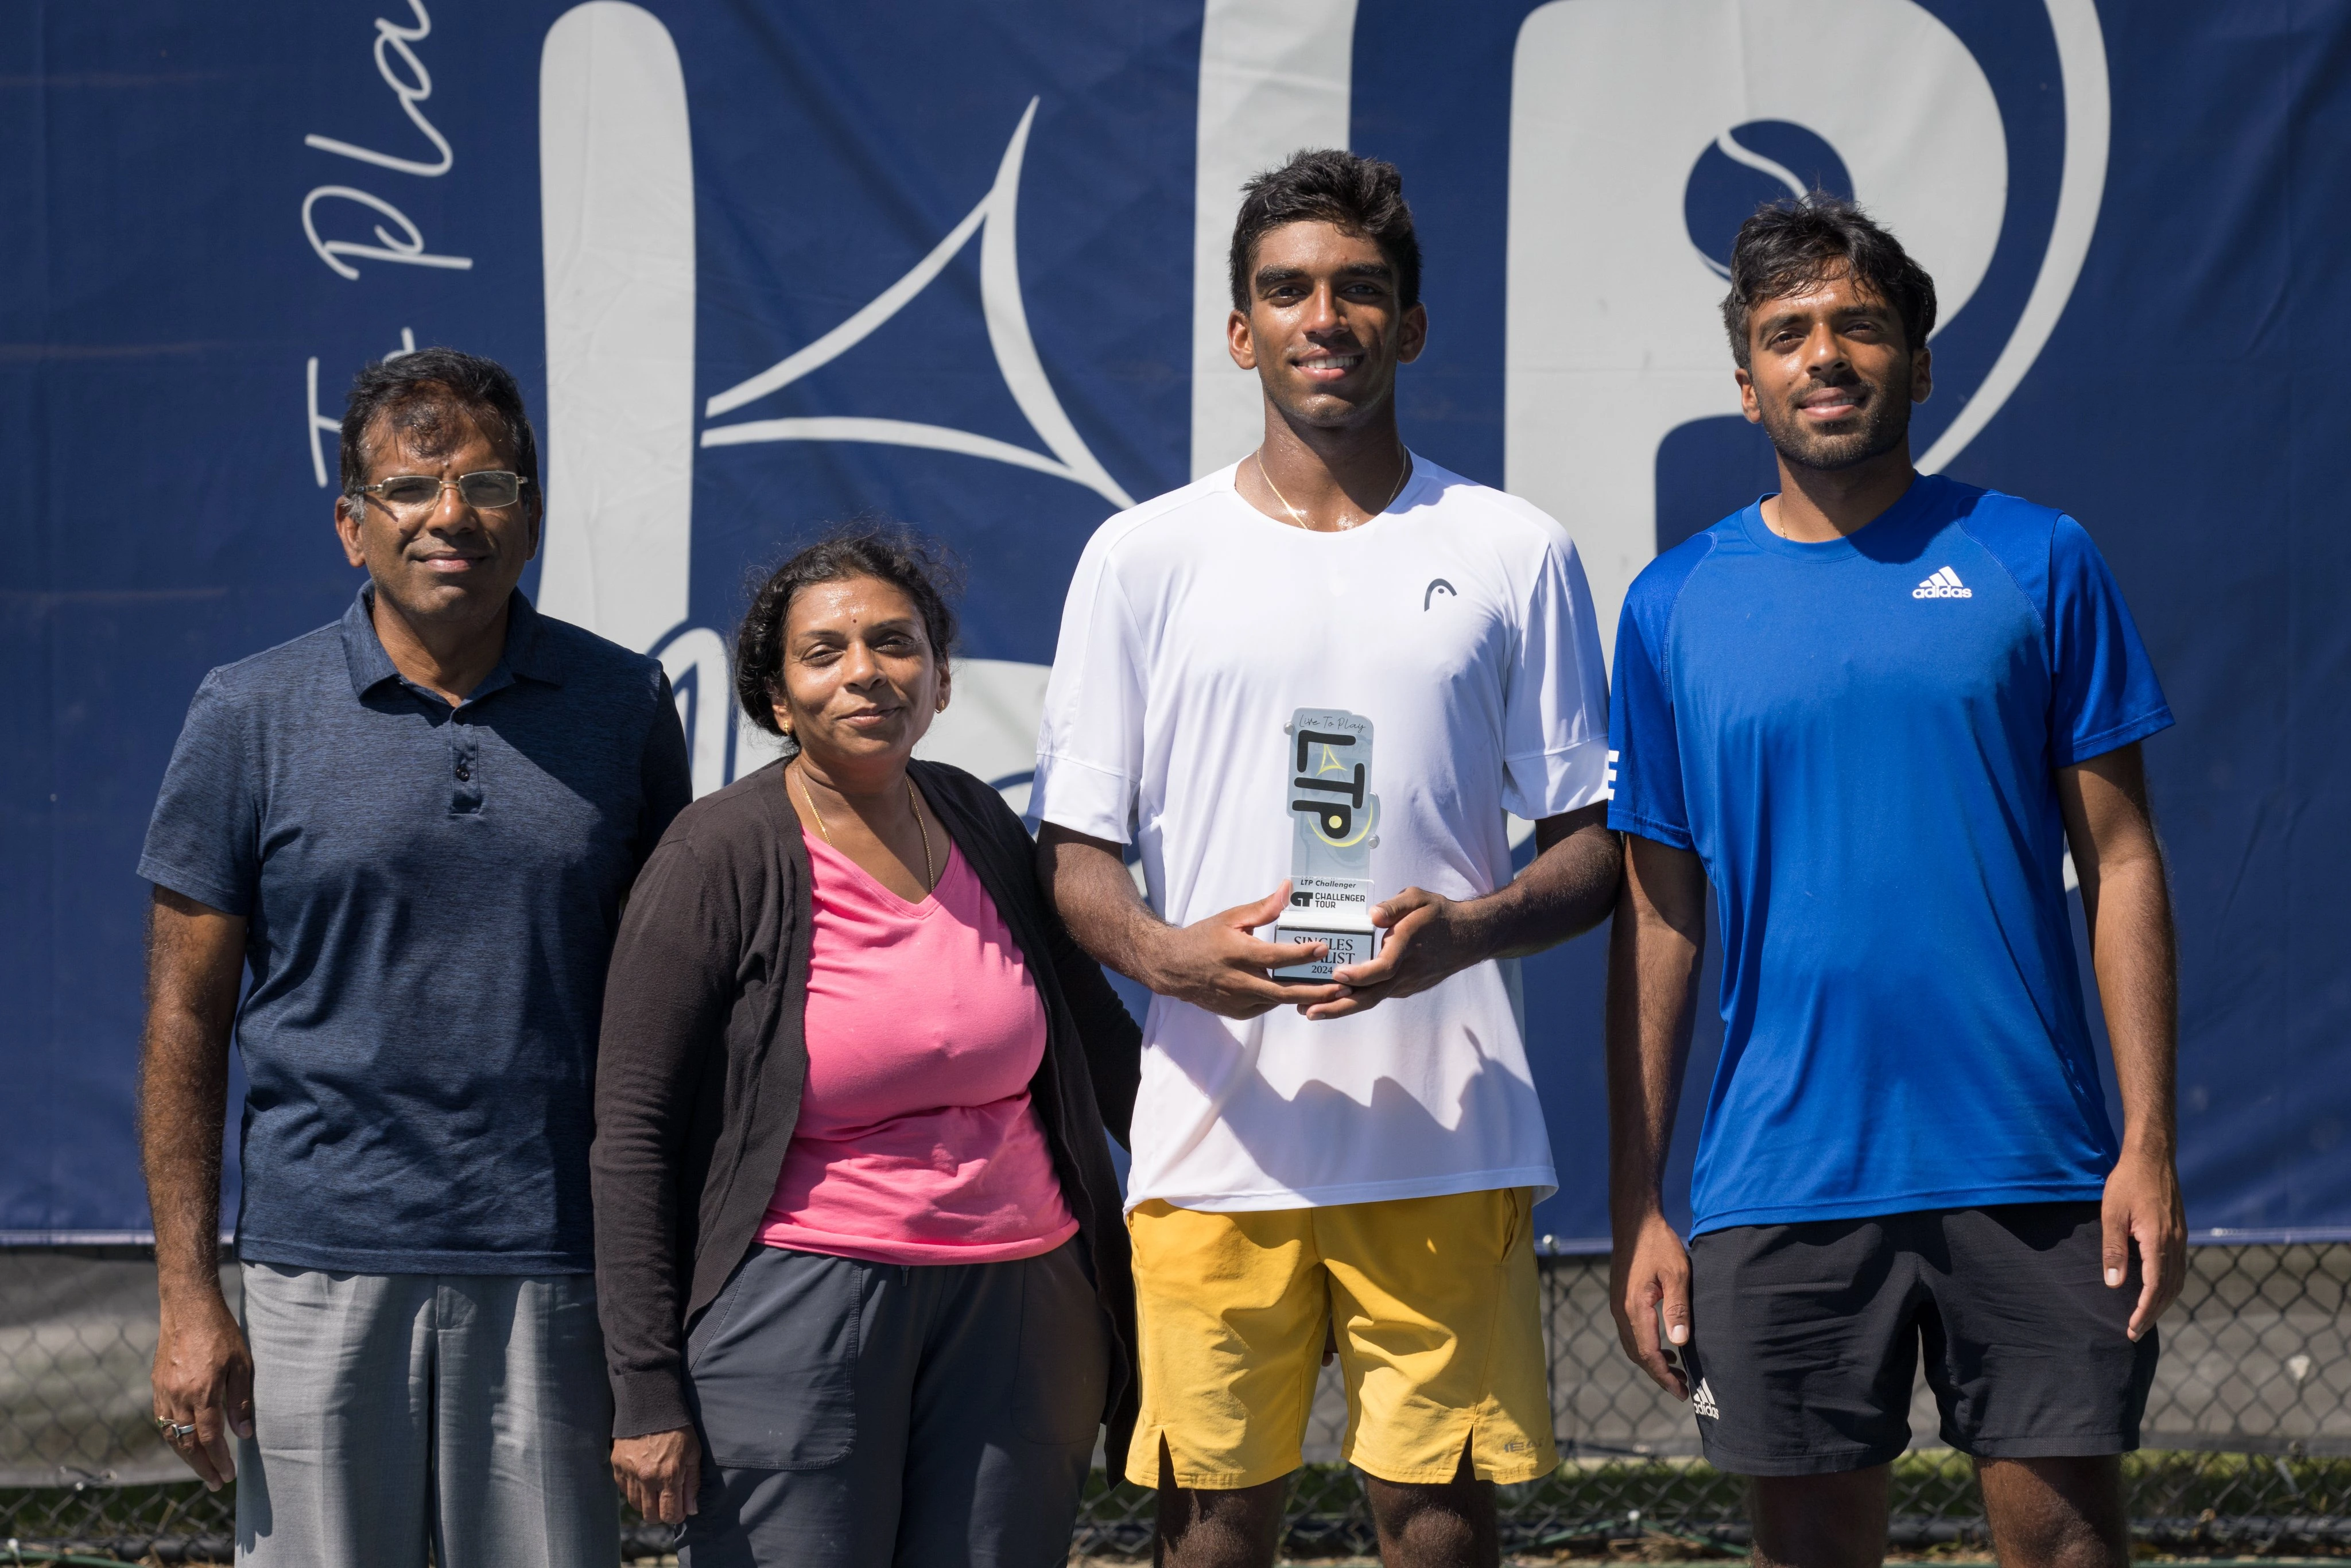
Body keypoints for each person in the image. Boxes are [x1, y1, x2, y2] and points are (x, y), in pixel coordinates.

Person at [1031, 149, 1621, 1568]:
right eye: (1286, 291)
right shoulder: (1140, 557)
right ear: (1241, 331)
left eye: (1358, 290)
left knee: (1435, 1525)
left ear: (1408, 325)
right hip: (1210, 1137)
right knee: (1214, 1529)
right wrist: (1179, 958)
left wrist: (1464, 933)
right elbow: (1075, 863)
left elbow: (1593, 852)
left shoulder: (1512, 549)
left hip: (1445, 1129)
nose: (1323, 318)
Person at [1605, 195, 2184, 1568]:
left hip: (2031, 1165)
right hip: (1777, 1178)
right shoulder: (1669, 605)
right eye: (1787, 332)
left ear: (1918, 365)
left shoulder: (2037, 559)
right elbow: (1658, 913)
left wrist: (2145, 1144)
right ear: (1743, 385)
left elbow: (2120, 858)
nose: (1826, 355)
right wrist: (1639, 1199)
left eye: (1859, 325)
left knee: (2067, 1550)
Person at [136, 348, 692, 1566]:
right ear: (352, 525)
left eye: (490, 484)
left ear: (530, 516)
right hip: (316, 1265)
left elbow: (669, 1014)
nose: (454, 516)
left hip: (554, 1265)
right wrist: (188, 1295)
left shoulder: (625, 707)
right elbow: (185, 1017)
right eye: (412, 488)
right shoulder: (248, 713)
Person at [592, 530, 1142, 1567]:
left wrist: (1227, 1176)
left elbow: (1100, 1040)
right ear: (776, 695)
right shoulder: (716, 855)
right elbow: (633, 1135)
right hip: (800, 1307)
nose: (866, 673)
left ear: (939, 681)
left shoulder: (979, 817)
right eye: (825, 652)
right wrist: (646, 1385)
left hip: (1024, 1308)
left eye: (896, 644)